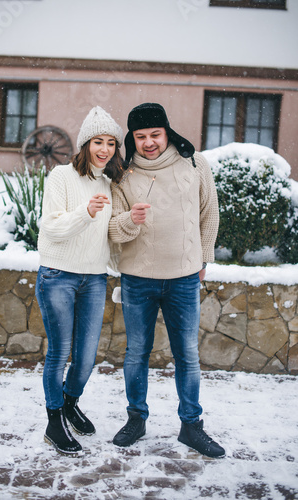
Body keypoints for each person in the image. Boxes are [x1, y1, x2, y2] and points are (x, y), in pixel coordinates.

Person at [108, 102, 225, 458]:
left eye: (154, 135)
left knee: (187, 355)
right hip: (138, 280)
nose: (148, 143)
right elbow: (113, 229)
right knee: (136, 354)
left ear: (167, 132)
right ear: (132, 138)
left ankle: (191, 425)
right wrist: (130, 219)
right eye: (140, 137)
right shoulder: (124, 175)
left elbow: (210, 212)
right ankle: (136, 418)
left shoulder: (194, 163)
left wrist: (204, 256)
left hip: (184, 278)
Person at [35, 106, 123, 456]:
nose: (104, 149)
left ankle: (70, 403)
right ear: (85, 143)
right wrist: (85, 213)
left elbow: (110, 237)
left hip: (94, 278)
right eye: (98, 141)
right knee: (58, 354)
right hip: (58, 275)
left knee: (86, 358)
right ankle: (54, 421)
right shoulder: (61, 176)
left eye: (111, 143)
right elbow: (51, 228)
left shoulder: (109, 182)